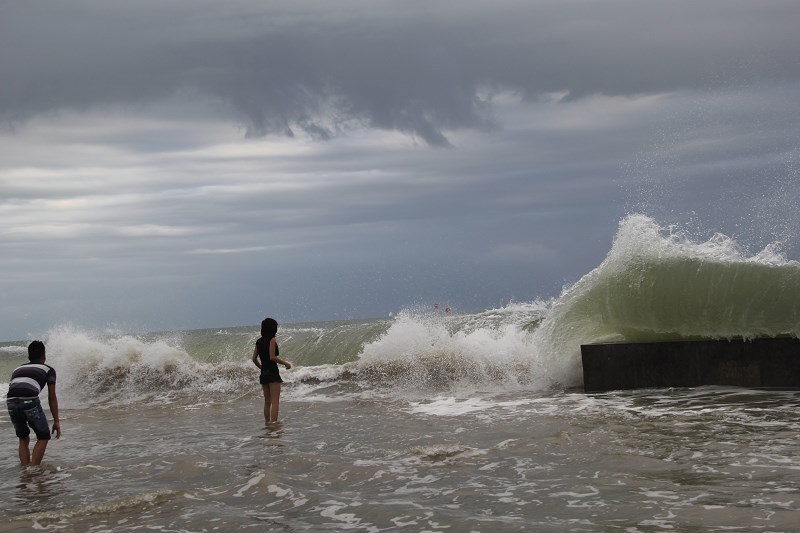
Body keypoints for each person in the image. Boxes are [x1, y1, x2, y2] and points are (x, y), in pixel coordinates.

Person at [6, 340, 61, 466]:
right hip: (29, 402)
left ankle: (26, 471)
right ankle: (33, 470)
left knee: (23, 438)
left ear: (29, 356)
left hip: (10, 403)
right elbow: (52, 397)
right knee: (43, 436)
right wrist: (56, 421)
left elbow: (15, 389)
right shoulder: (48, 369)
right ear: (44, 356)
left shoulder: (18, 368)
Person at [252, 318, 291, 424]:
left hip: (264, 373)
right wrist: (285, 363)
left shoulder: (258, 341)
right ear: (273, 328)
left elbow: (254, 359)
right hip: (273, 372)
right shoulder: (272, 339)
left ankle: (267, 423)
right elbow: (272, 357)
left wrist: (261, 368)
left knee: (267, 402)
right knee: (275, 402)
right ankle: (274, 424)